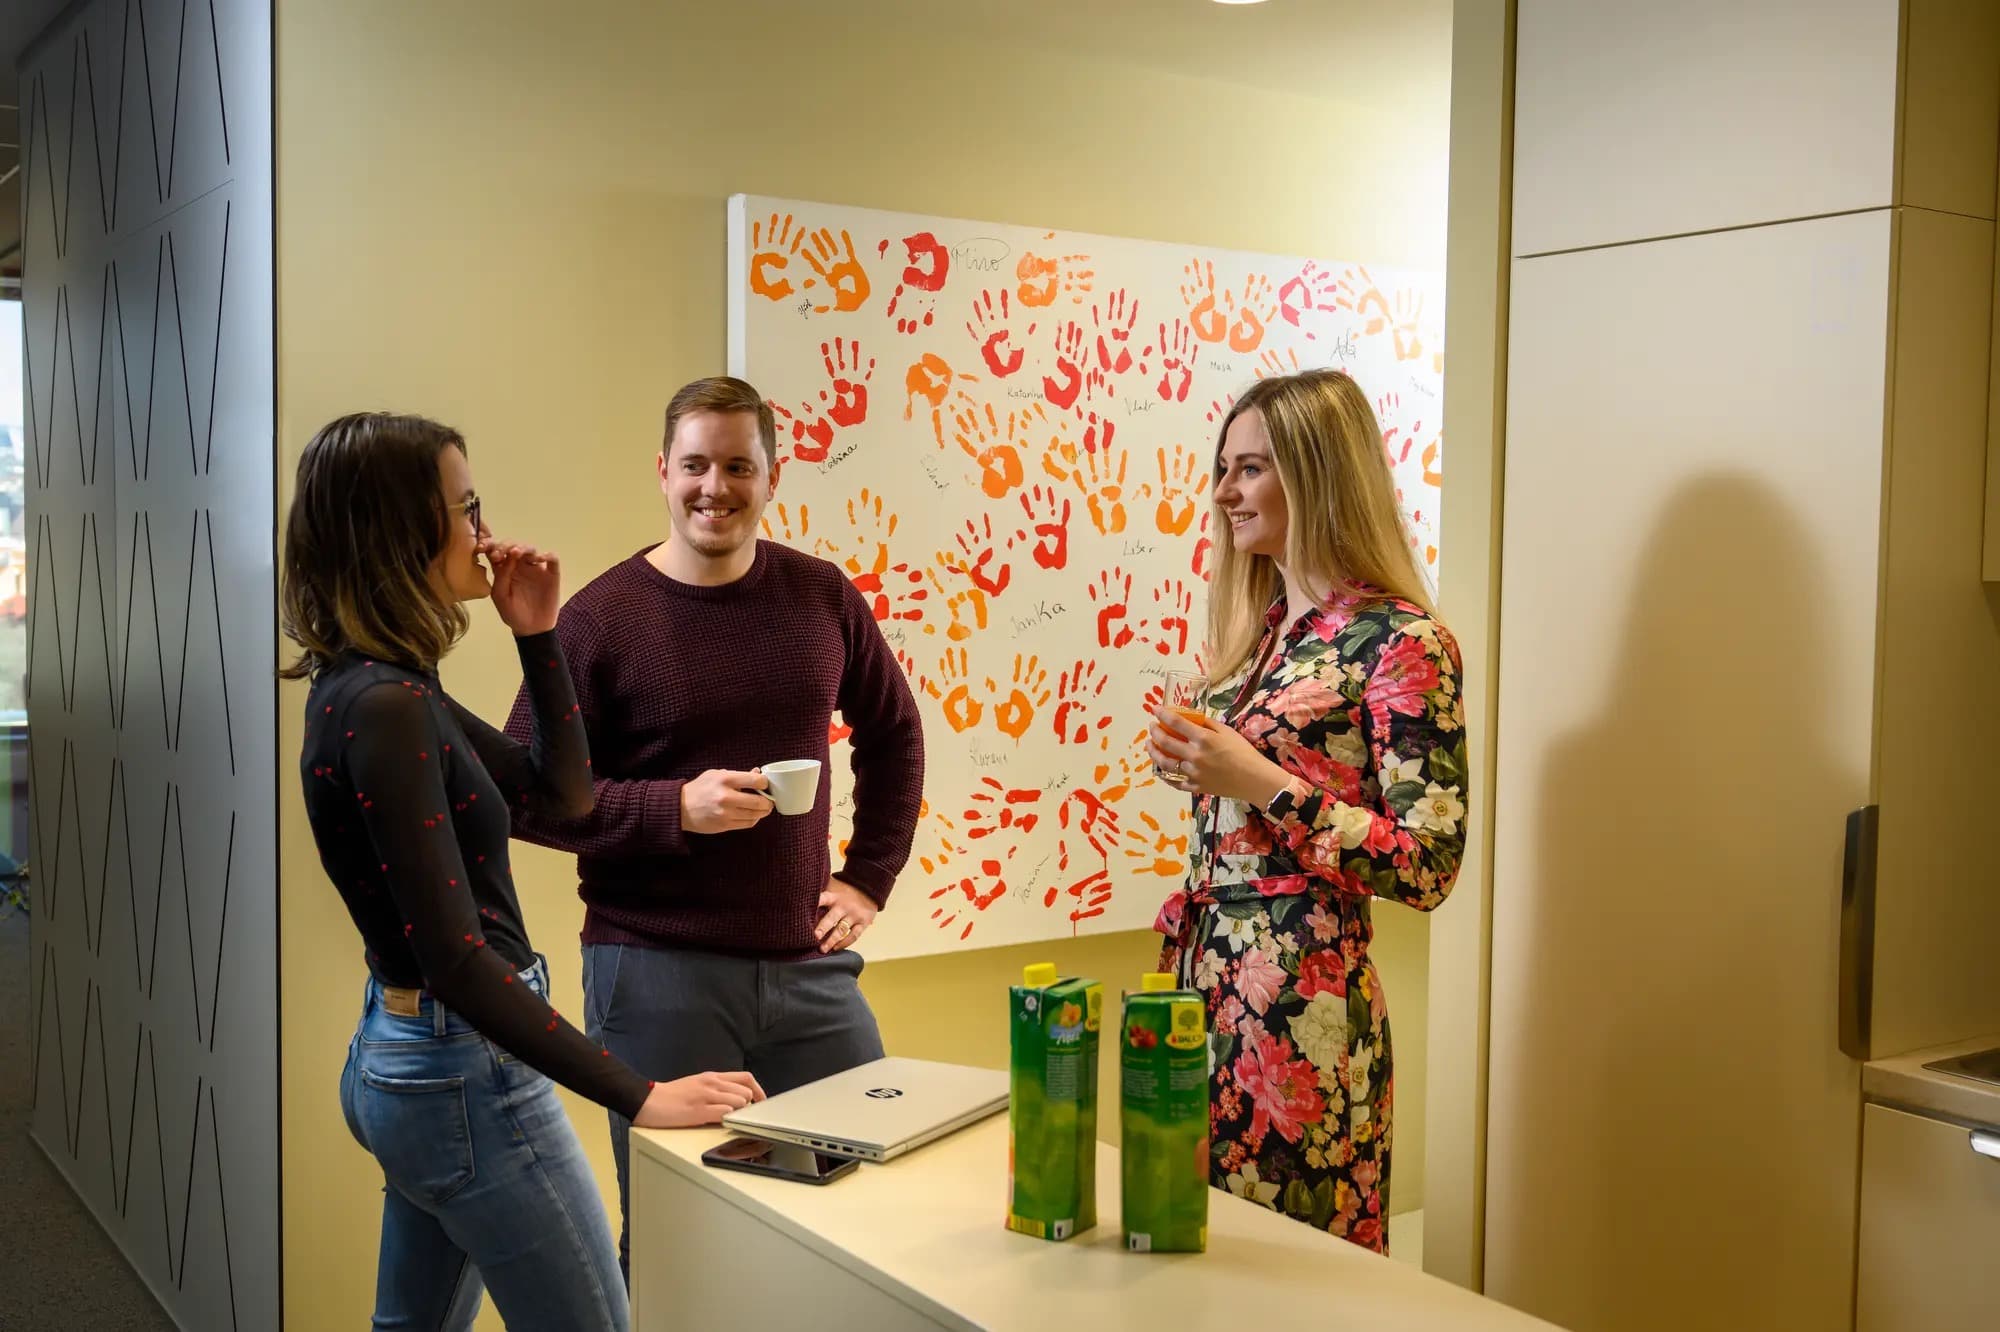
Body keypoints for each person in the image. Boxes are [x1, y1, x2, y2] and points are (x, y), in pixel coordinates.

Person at [283, 412, 764, 1331]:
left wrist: (538, 635)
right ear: (401, 532)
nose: (485, 531)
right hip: (460, 1072)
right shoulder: (383, 705)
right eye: (466, 509)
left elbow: (564, 797)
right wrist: (640, 1094)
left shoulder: (387, 685)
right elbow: (458, 961)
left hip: (412, 1062)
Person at [505, 376, 925, 1273]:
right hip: (654, 971)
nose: (715, 487)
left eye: (739, 466)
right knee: (679, 1242)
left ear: (772, 475)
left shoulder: (820, 595)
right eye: (696, 465)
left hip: (809, 971)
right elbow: (521, 794)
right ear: (663, 471)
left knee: (863, 1219)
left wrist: (868, 877)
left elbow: (894, 731)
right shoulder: (600, 619)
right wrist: (672, 809)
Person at [1144, 370, 1466, 1255]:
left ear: (1318, 474)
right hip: (1198, 992)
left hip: (1301, 1010)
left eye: (1250, 468)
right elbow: (1250, 793)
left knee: (1296, 1276)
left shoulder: (1402, 642)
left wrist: (1260, 782)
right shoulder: (1263, 635)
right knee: (1196, 1257)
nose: (1224, 492)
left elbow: (1427, 864)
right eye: (1223, 468)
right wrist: (1195, 766)